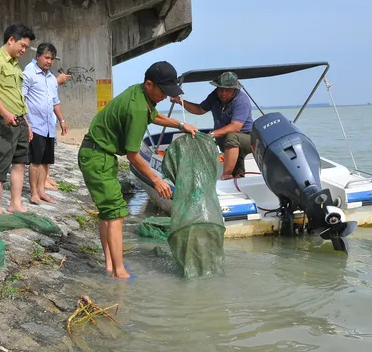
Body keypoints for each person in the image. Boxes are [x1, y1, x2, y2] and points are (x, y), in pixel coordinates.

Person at [79, 61, 197, 280]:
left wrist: (181, 126)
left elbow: (154, 116)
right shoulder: (137, 108)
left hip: (97, 154)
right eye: (163, 91)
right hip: (97, 157)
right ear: (150, 84)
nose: (164, 96)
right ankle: (119, 273)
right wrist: (156, 180)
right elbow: (133, 155)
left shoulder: (140, 94)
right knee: (117, 214)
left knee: (108, 213)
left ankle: (109, 265)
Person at [0, 24, 36, 214]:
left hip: (20, 121)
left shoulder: (15, 64)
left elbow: (18, 97)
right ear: (11, 40)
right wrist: (5, 113)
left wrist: (26, 123)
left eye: (26, 48)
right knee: (2, 161)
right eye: (22, 45)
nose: (23, 50)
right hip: (2, 121)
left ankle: (15, 203)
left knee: (20, 162)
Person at [182, 71, 253, 180]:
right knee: (238, 174)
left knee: (232, 137)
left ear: (235, 90)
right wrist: (180, 101)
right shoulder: (215, 95)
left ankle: (226, 174)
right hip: (229, 143)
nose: (223, 93)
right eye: (220, 89)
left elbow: (236, 127)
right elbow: (200, 109)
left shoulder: (241, 101)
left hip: (247, 138)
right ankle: (236, 181)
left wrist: (211, 134)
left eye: (227, 90)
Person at [22, 42, 67, 205]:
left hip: (49, 126)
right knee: (35, 161)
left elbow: (55, 101)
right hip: (35, 125)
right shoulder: (29, 73)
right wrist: (26, 123)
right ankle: (33, 192)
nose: (49, 61)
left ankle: (42, 191)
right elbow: (22, 98)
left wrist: (61, 120)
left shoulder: (51, 78)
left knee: (46, 161)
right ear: (38, 56)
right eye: (46, 58)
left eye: (51, 59)